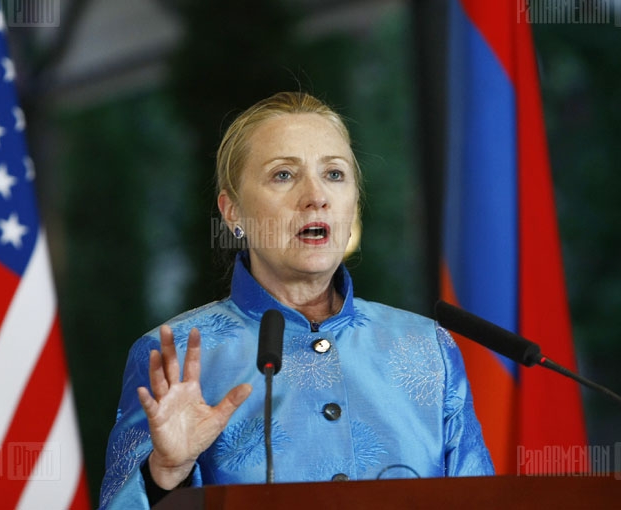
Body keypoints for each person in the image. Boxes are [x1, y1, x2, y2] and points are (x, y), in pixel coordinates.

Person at [99, 92, 494, 508]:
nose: (316, 196)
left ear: (353, 201)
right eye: (284, 175)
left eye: (335, 174)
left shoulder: (426, 347)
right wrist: (166, 475)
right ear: (232, 211)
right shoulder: (175, 355)